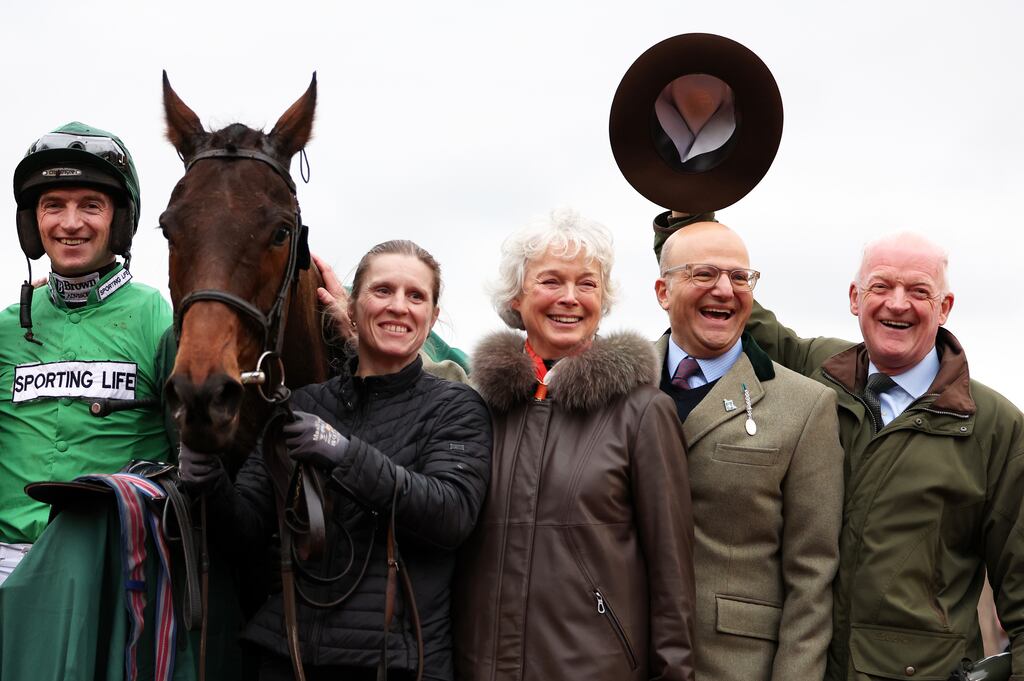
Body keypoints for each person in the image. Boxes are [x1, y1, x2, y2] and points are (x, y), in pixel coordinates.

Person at [181, 239, 492, 681]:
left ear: (433, 316)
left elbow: (451, 515)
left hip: (396, 662)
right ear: (352, 307)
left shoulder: (456, 407)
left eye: (416, 295)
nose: (398, 307)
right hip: (286, 653)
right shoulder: (304, 403)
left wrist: (345, 454)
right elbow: (245, 531)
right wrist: (207, 479)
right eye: (382, 291)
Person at [742, 232, 1024, 681]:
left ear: (944, 307)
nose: (897, 303)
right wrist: (687, 207)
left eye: (918, 291)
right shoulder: (818, 372)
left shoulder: (995, 426)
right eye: (881, 286)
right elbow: (737, 312)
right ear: (855, 298)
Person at [454, 208, 696, 681]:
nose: (569, 298)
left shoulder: (643, 411)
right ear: (517, 298)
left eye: (587, 284)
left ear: (603, 301)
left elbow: (673, 579)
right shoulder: (477, 407)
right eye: (550, 281)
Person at [654, 222, 843, 681]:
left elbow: (812, 577)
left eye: (740, 278)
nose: (725, 290)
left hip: (736, 665)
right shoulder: (616, 387)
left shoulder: (804, 405)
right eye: (705, 274)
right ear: (663, 291)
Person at [0, 122, 173, 581]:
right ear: (32, 224)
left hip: (116, 572)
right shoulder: (5, 327)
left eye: (90, 206)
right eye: (53, 206)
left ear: (119, 221)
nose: (70, 223)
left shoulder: (160, 320)